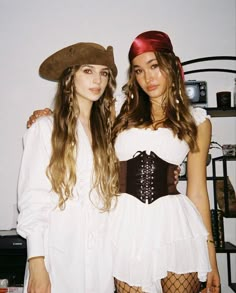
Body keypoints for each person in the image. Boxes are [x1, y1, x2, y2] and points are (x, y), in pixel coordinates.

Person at [109, 30, 221, 293]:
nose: (147, 77)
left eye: (154, 66)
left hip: (175, 227)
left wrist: (211, 256)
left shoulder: (197, 120)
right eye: (138, 70)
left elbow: (197, 192)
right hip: (127, 227)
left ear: (171, 64)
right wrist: (45, 116)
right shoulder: (117, 111)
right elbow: (76, 118)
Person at [16, 42, 120, 293]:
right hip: (58, 258)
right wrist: (38, 264)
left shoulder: (109, 134)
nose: (97, 79)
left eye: (104, 73)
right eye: (88, 70)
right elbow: (34, 200)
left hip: (102, 262)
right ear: (69, 77)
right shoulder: (45, 129)